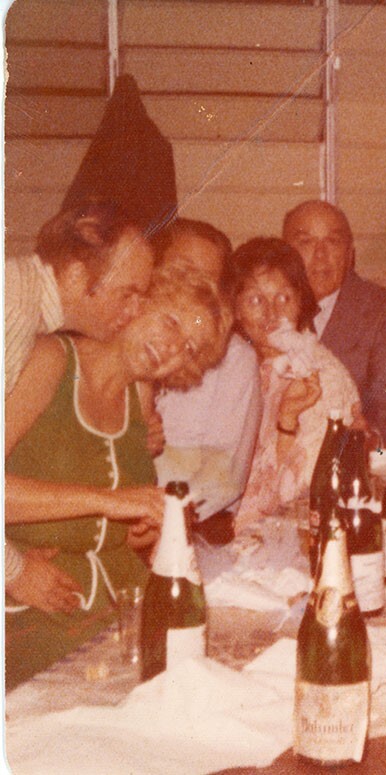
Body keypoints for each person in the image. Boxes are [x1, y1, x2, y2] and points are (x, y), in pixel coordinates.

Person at [5, 267, 231, 688]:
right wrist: (110, 500)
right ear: (137, 304)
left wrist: (148, 528)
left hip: (120, 611)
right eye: (171, 321)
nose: (172, 348)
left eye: (189, 348)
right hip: (39, 611)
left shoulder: (140, 398)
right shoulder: (52, 359)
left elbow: (118, 535)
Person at [4, 199, 155, 615]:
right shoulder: (13, 314)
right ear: (73, 275)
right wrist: (13, 571)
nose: (135, 310)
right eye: (128, 293)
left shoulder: (21, 296)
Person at [224, 238, 360, 533]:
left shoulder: (320, 375)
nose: (272, 313)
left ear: (301, 301)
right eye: (255, 300)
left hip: (283, 535)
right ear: (235, 309)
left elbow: (303, 493)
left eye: (284, 298)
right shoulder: (238, 367)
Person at [152, 219, 263, 536]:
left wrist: (157, 523)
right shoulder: (126, 341)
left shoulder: (234, 359)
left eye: (207, 279)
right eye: (182, 270)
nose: (192, 288)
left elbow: (223, 480)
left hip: (191, 527)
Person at [282, 200, 386, 447]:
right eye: (306, 242)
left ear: (350, 253)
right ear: (285, 253)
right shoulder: (266, 311)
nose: (320, 255)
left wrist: (369, 436)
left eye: (333, 242)